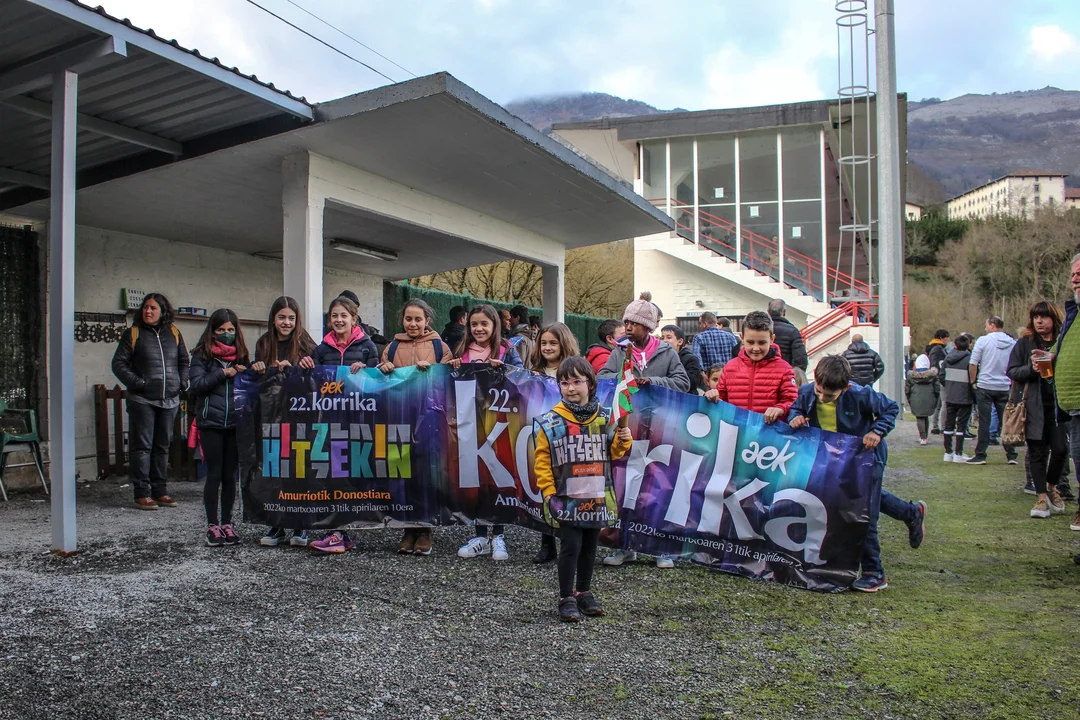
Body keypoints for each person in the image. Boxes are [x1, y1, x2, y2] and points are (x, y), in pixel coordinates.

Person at [788, 355, 927, 592]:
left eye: (829, 396)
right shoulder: (807, 392)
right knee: (864, 499)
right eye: (819, 391)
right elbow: (795, 409)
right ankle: (911, 512)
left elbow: (890, 408)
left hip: (866, 457)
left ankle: (874, 572)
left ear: (846, 388)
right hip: (835, 458)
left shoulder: (861, 394)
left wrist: (877, 431)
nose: (822, 398)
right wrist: (795, 418)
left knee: (863, 512)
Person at [534, 357, 632, 622]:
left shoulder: (605, 418)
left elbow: (615, 451)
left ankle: (584, 592)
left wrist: (624, 439)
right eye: (564, 383)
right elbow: (542, 460)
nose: (571, 388)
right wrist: (548, 492)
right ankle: (566, 596)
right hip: (566, 497)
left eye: (577, 381)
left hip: (597, 495)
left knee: (590, 546)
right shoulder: (551, 421)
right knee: (570, 546)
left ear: (590, 384)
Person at [599, 291, 690, 568]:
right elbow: (603, 378)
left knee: (658, 485)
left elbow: (683, 382)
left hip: (660, 430)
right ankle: (624, 546)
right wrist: (624, 377)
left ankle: (660, 548)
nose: (627, 327)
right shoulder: (619, 351)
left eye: (633, 323)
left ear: (648, 327)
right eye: (626, 322)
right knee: (625, 485)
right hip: (628, 428)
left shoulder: (666, 352)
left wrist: (653, 382)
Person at [378, 299, 454, 555]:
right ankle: (407, 528)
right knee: (403, 473)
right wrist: (383, 368)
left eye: (418, 319)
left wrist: (433, 370)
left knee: (426, 474)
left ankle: (425, 529)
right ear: (402, 320)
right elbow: (379, 380)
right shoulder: (391, 347)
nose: (413, 324)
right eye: (408, 319)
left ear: (427, 321)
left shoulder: (439, 346)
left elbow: (448, 377)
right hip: (399, 418)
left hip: (430, 421)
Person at [307, 296, 381, 554]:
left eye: (343, 316)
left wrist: (368, 369)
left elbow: (378, 380)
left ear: (354, 318)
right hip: (329, 421)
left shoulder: (368, 346)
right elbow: (312, 380)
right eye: (334, 316)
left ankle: (342, 531)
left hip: (358, 421)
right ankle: (337, 532)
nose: (339, 320)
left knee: (351, 474)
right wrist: (305, 365)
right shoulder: (321, 349)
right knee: (332, 473)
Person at [452, 304, 524, 561]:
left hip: (499, 423)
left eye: (484, 324)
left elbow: (522, 379)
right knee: (476, 477)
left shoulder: (507, 349)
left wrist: (505, 370)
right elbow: (447, 381)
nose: (479, 329)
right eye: (474, 324)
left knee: (498, 474)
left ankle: (499, 535)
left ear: (495, 325)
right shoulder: (462, 350)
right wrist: (451, 366)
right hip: (469, 423)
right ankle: (480, 535)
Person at [111, 293, 189, 511]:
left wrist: (182, 382)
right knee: (142, 447)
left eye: (153, 308)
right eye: (145, 307)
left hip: (169, 401)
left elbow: (184, 361)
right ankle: (142, 493)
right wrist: (139, 383)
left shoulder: (174, 333)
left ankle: (160, 491)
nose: (148, 311)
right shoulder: (133, 333)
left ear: (163, 311)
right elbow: (118, 364)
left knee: (162, 447)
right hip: (142, 400)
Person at [251, 296, 317, 548]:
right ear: (273, 319)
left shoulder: (306, 343)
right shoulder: (264, 343)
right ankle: (277, 524)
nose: (286, 323)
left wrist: (299, 368)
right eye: (281, 317)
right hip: (272, 417)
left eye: (291, 318)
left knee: (299, 471)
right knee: (274, 471)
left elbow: (317, 379)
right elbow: (258, 382)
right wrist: (258, 367)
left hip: (300, 417)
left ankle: (301, 525)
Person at [188, 309, 250, 547]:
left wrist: (248, 371)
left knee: (230, 476)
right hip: (210, 423)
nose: (226, 334)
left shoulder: (242, 356)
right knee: (214, 474)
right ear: (212, 332)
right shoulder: (201, 355)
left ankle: (227, 523)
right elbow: (197, 385)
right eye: (221, 329)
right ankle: (212, 525)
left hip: (234, 423)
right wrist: (223, 373)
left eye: (231, 329)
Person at [527, 321, 581, 564]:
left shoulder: (574, 371)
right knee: (545, 487)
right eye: (543, 343)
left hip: (568, 436)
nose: (547, 347)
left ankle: (570, 543)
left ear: (564, 344)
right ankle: (546, 543)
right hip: (542, 436)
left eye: (553, 343)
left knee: (568, 486)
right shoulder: (533, 372)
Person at [1007, 301, 1068, 519]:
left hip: (1060, 405)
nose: (1039, 321)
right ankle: (1041, 497)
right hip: (1033, 405)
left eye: (1044, 317)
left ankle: (1051, 487)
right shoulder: (1025, 342)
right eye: (1035, 317)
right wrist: (1031, 369)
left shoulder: (1063, 340)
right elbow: (1012, 370)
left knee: (1061, 450)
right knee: (1037, 451)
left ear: (1054, 318)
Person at [704, 311, 798, 422]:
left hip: (768, 430)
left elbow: (793, 401)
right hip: (736, 429)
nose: (756, 348)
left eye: (762, 343)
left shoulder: (784, 369)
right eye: (750, 342)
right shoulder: (730, 367)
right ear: (742, 338)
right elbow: (721, 398)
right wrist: (712, 395)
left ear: (772, 339)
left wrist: (780, 408)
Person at [1054, 254, 1080, 548]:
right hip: (1073, 408)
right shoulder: (1074, 313)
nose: (1075, 278)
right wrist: (1052, 359)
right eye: (1073, 274)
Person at [968, 316, 1018, 465]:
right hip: (1004, 386)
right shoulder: (1012, 343)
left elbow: (973, 363)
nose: (985, 328)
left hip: (985, 385)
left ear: (992, 325)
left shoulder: (983, 341)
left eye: (986, 325)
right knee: (1006, 422)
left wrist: (973, 381)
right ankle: (1011, 454)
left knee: (984, 421)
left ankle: (981, 455)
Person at [942, 334, 976, 463]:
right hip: (964, 396)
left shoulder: (947, 358)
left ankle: (948, 452)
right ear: (968, 345)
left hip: (950, 395)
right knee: (961, 426)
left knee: (948, 425)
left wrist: (949, 386)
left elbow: (941, 376)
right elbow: (973, 378)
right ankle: (958, 453)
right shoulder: (970, 359)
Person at [905, 354, 939, 445]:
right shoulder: (933, 376)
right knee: (925, 416)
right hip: (930, 398)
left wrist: (909, 399)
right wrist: (936, 398)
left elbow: (907, 390)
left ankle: (923, 437)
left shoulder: (911, 376)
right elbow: (937, 388)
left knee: (919, 417)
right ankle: (925, 437)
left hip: (915, 398)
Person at [692, 312, 739, 378]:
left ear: (705, 324)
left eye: (700, 323)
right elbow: (738, 355)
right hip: (729, 375)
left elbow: (696, 357)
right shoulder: (730, 336)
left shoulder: (698, 337)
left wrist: (702, 373)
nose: (699, 326)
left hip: (709, 377)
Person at [766, 299, 808, 372]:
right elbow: (801, 359)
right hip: (785, 373)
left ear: (768, 311)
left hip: (764, 374)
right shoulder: (793, 331)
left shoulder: (761, 329)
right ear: (784, 312)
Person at [661, 325, 703, 394]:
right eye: (662, 338)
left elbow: (693, 382)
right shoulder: (660, 358)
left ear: (680, 342)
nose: (664, 340)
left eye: (669, 337)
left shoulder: (691, 359)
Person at [926, 329, 950, 435]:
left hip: (937, 378)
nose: (948, 339)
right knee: (943, 403)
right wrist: (941, 377)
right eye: (947, 337)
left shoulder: (935, 348)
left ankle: (935, 425)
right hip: (940, 379)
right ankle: (942, 426)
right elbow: (936, 364)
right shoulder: (938, 349)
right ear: (941, 338)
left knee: (939, 404)